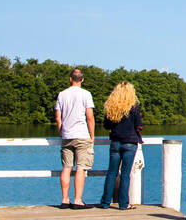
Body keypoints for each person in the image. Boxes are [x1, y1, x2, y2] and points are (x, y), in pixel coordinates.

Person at [55, 68, 95, 209]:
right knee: (81, 168)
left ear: (70, 79)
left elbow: (58, 117)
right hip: (82, 135)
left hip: (67, 135)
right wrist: (92, 135)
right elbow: (89, 116)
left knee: (66, 167)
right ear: (82, 80)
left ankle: (65, 200)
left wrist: (62, 131)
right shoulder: (86, 94)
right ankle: (77, 200)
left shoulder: (62, 94)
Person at [101, 81, 142, 210]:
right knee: (125, 174)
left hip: (115, 142)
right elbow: (139, 126)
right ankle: (124, 204)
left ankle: (105, 202)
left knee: (111, 173)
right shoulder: (134, 107)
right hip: (130, 143)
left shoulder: (111, 107)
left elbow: (106, 125)